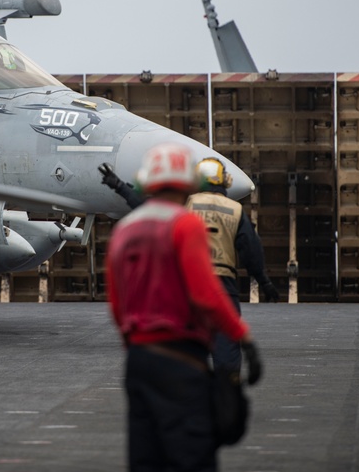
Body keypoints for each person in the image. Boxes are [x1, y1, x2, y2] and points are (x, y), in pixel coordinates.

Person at [105, 142, 262, 472]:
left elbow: (118, 303)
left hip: (138, 361)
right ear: (188, 184)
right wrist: (243, 338)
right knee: (192, 455)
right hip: (180, 359)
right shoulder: (185, 224)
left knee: (145, 457)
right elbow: (206, 293)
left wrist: (134, 346)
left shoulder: (124, 231)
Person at [188, 157, 279, 373]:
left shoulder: (187, 205)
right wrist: (265, 282)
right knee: (226, 347)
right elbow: (251, 251)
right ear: (224, 180)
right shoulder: (234, 210)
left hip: (190, 285)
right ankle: (227, 394)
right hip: (222, 285)